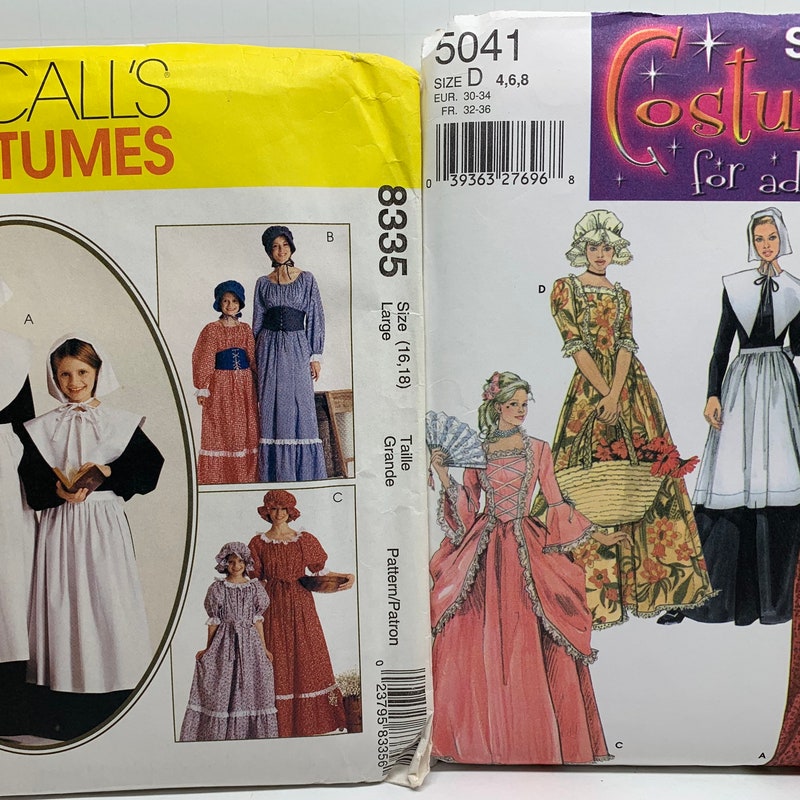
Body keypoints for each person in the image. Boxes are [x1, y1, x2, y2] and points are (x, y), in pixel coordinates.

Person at [429, 371, 611, 764]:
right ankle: (481, 740)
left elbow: (556, 501)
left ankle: (535, 739)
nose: (520, 411)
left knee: (531, 634)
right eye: (513, 404)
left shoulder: (540, 449)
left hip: (528, 545)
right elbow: (468, 507)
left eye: (524, 404)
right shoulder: (478, 452)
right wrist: (444, 476)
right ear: (496, 406)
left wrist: (597, 534)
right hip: (485, 548)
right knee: (475, 634)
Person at [548, 210, 713, 629]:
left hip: (632, 390)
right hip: (589, 388)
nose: (601, 254)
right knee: (580, 479)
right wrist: (604, 393)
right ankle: (590, 600)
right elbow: (576, 346)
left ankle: (659, 589)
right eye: (593, 247)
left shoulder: (622, 294)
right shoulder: (566, 289)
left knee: (648, 475)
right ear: (582, 249)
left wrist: (617, 392)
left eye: (607, 247)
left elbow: (625, 344)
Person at [18, 335, 163, 739]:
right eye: (64, 374)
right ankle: (64, 705)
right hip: (60, 528)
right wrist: (57, 491)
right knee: (62, 605)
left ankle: (113, 700)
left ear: (98, 372)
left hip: (103, 528)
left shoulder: (120, 422)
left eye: (82, 372)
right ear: (54, 378)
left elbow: (149, 470)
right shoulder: (42, 428)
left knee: (107, 604)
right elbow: (32, 483)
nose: (74, 382)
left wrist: (110, 473)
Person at [666, 208, 800, 626]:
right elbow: (721, 345)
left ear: (782, 239)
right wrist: (712, 393)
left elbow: (799, 345)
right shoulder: (736, 286)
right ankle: (704, 598)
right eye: (759, 239)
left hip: (779, 384)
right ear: (751, 242)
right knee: (730, 482)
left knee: (779, 480)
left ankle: (774, 604)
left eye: (772, 238)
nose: (766, 245)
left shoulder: (796, 289)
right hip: (741, 383)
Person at [248, 489, 354, 736]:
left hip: (301, 603)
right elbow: (254, 581)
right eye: (274, 509)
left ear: (291, 511)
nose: (279, 514)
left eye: (283, 509)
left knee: (307, 654)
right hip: (272, 605)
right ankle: (278, 725)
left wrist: (347, 576)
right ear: (267, 511)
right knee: (276, 655)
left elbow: (319, 573)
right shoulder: (257, 543)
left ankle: (310, 723)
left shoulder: (304, 540)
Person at [180, 541, 278, 741]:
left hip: (250, 643)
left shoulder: (255, 588)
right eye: (232, 562)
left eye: (240, 561)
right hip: (225, 642)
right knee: (223, 686)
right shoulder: (218, 588)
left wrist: (264, 648)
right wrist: (208, 649)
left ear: (246, 563)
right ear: (225, 563)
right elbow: (213, 623)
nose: (236, 566)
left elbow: (258, 621)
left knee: (252, 685)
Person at [253, 226, 327, 482]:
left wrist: (315, 355)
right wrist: (254, 360)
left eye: (284, 245)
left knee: (299, 405)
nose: (281, 250)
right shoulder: (262, 283)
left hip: (297, 347)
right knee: (271, 405)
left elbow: (315, 316)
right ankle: (274, 474)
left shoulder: (306, 279)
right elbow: (257, 322)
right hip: (268, 349)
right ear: (269, 251)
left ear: (291, 247)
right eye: (275, 246)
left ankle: (302, 474)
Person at [0, 276, 36, 733]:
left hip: (6, 473)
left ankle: (9, 702)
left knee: (9, 578)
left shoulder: (13, 351)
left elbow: (26, 426)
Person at [192, 281, 258, 484]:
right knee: (222, 427)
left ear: (241, 303)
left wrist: (258, 381)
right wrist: (202, 387)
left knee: (244, 428)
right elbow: (204, 358)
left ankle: (245, 477)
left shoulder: (245, 329)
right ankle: (221, 478)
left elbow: (253, 358)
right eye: (226, 301)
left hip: (245, 385)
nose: (230, 305)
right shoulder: (212, 329)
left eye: (234, 301)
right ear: (219, 303)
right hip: (221, 385)